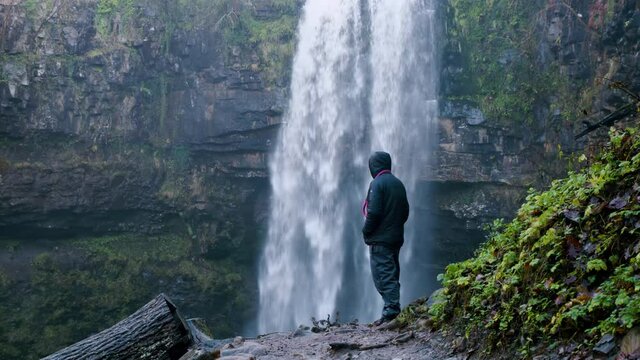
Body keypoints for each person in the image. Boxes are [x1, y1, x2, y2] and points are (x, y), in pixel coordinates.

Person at [361, 151, 410, 326]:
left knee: (383, 274)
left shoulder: (377, 183)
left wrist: (366, 231)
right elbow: (405, 212)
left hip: (380, 240)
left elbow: (373, 212)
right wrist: (394, 227)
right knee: (392, 272)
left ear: (374, 166)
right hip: (395, 238)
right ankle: (392, 309)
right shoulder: (398, 183)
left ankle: (391, 312)